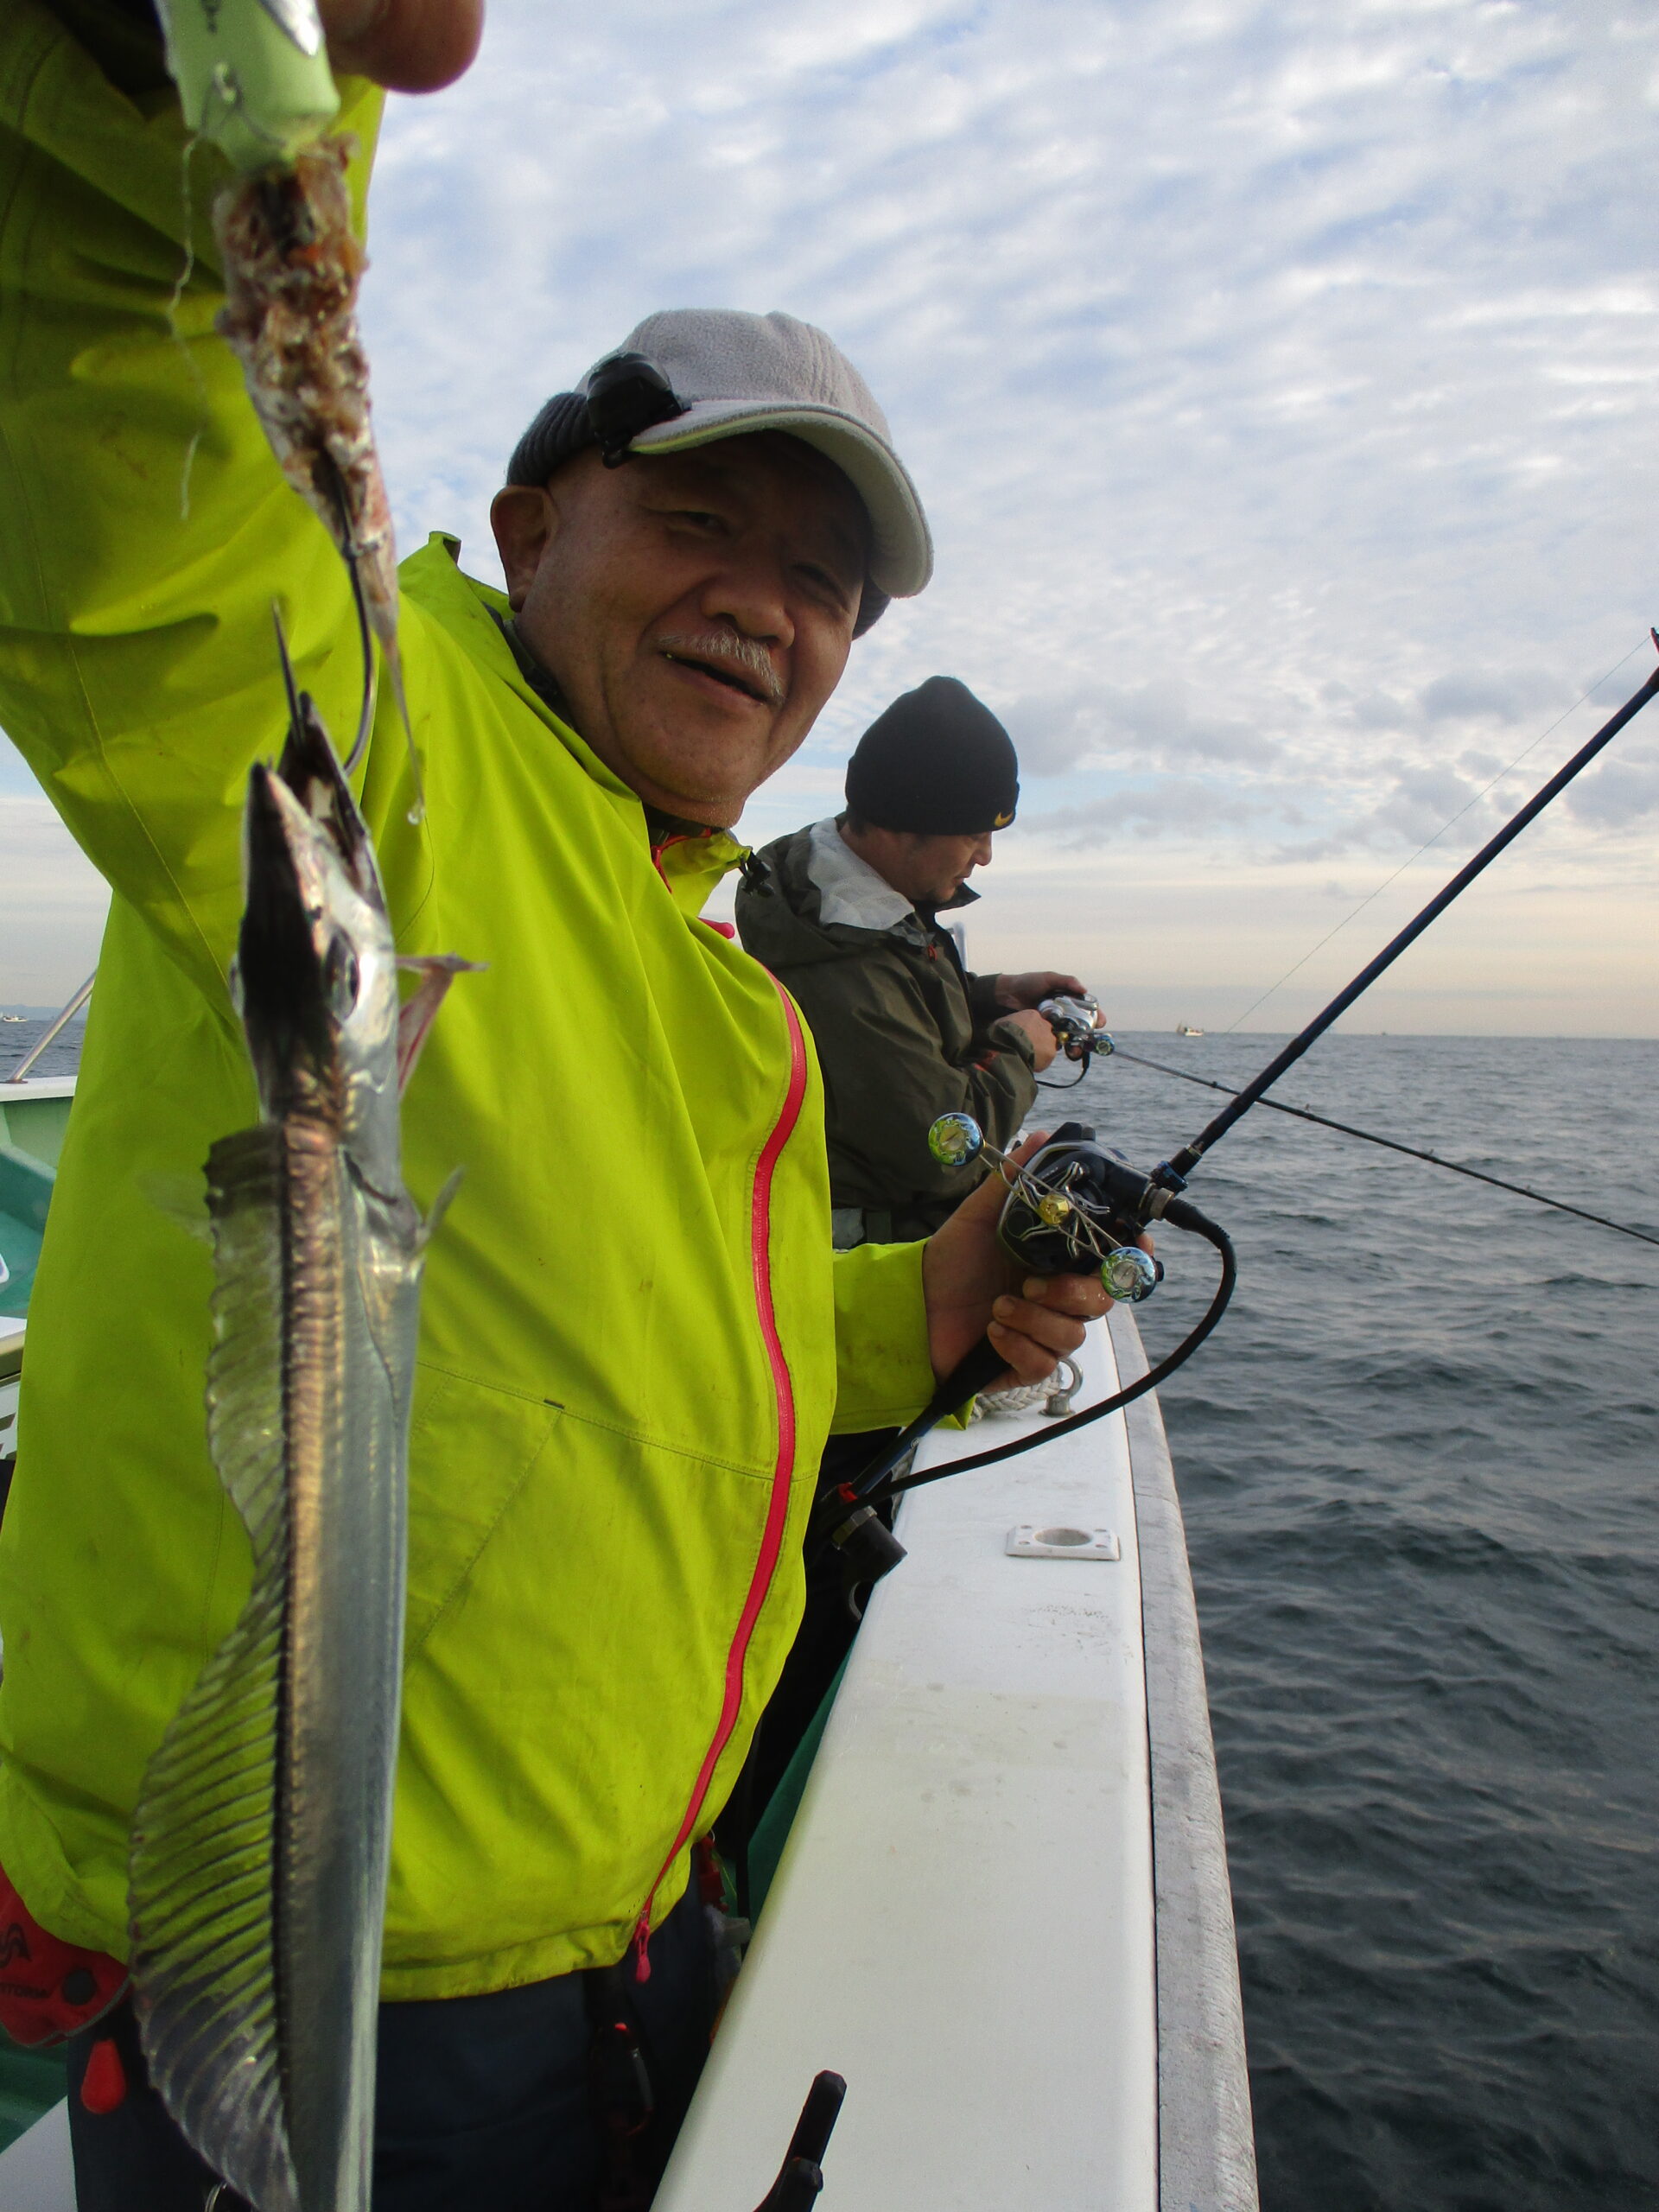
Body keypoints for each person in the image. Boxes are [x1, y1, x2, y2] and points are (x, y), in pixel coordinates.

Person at [0, 4, 1111, 2207]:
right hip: (328, 1969)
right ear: (525, 524)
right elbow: (129, 466)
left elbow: (647, 1357)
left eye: (823, 582)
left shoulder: (717, 988)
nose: (764, 606)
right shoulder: (367, 728)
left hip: (621, 1931)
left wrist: (921, 1305)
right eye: (699, 519)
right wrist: (196, 110)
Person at [736, 676, 1097, 1246]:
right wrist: (1021, 1048)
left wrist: (995, 993)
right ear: (896, 823)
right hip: (863, 1261)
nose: (986, 856)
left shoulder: (853, 906)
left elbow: (898, 1004)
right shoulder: (838, 954)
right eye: (973, 834)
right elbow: (945, 1148)